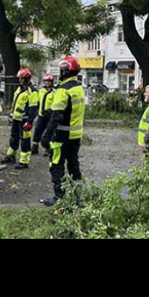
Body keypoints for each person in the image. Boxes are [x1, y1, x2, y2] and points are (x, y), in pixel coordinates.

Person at [40, 57, 86, 206]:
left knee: (56, 165)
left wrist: (46, 136)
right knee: (73, 164)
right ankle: (78, 195)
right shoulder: (78, 88)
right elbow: (69, 110)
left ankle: (59, 196)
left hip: (61, 135)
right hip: (76, 135)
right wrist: (50, 112)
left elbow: (58, 116)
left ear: (65, 71)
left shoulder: (62, 89)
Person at [1, 68, 38, 169]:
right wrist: (11, 115)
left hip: (25, 120)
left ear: (27, 79)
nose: (20, 80)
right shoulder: (19, 89)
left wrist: (30, 121)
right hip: (16, 119)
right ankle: (11, 155)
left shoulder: (32, 91)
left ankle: (24, 161)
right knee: (13, 137)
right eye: (20, 79)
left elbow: (33, 108)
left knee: (25, 140)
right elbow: (15, 104)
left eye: (21, 79)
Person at [32, 73, 55, 156]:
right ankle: (35, 147)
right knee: (37, 130)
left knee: (49, 132)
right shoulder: (41, 91)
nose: (47, 83)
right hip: (41, 115)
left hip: (49, 116)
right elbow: (38, 101)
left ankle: (48, 149)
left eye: (49, 81)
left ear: (52, 82)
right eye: (46, 81)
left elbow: (55, 104)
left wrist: (50, 111)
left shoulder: (54, 92)